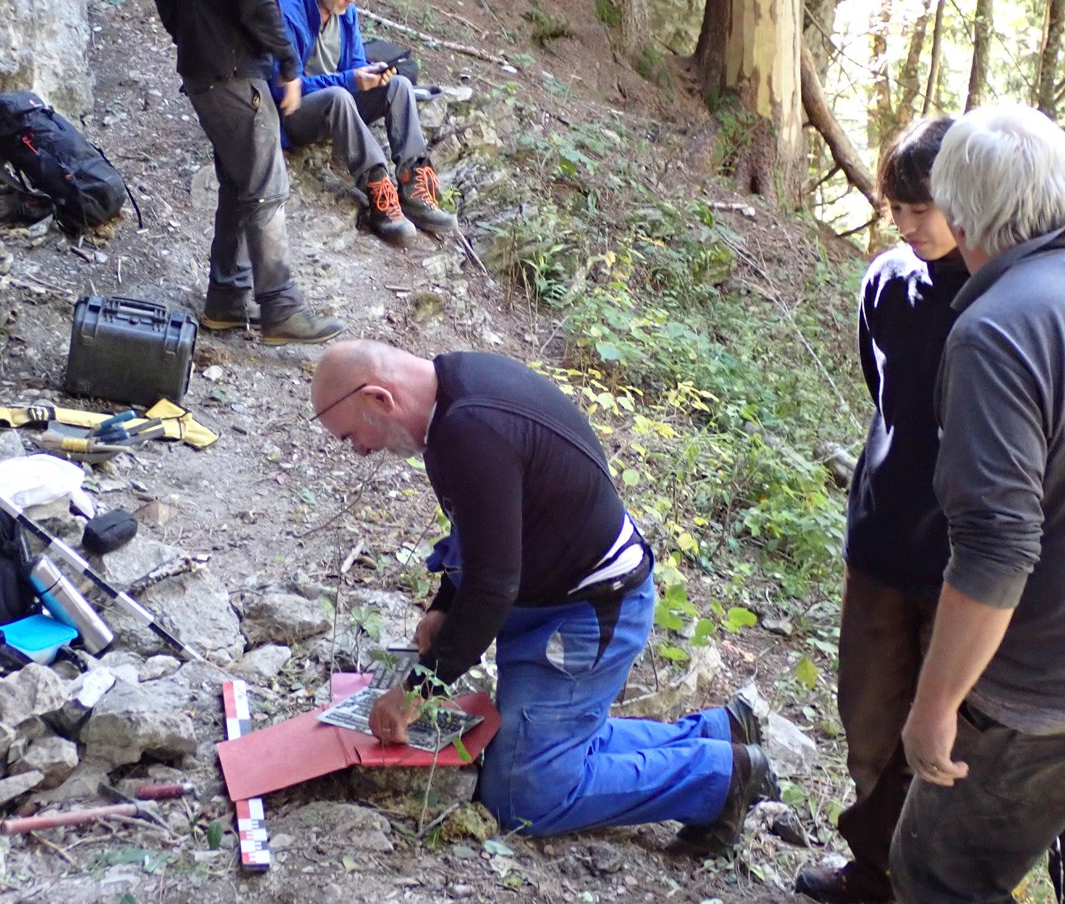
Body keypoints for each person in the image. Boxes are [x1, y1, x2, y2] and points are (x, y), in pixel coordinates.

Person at [310, 340, 779, 846]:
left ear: (381, 399)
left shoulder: (472, 429)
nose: (358, 451)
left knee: (523, 796)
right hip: (550, 595)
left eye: (349, 437)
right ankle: (720, 732)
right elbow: (485, 530)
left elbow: (492, 587)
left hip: (592, 607)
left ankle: (720, 777)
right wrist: (445, 604)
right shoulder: (451, 401)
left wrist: (418, 690)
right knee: (531, 747)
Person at [886, 105, 1065, 904]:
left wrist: (935, 708)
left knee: (943, 868)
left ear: (969, 215)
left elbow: (999, 542)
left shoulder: (1003, 324)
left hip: (1051, 684)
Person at [796, 118, 968, 904]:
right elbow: (885, 394)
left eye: (919, 209)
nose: (904, 225)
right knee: (868, 714)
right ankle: (873, 864)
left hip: (966, 561)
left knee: (942, 733)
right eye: (894, 208)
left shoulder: (1003, 299)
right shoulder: (885, 283)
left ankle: (940, 888)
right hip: (881, 539)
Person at [155, 0, 342, 345]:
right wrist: (288, 65)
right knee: (266, 187)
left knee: (239, 185)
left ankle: (225, 301)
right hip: (237, 72)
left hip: (203, 72)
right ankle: (280, 308)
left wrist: (195, 42)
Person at [275, 0, 457, 246]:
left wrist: (370, 74)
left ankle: (414, 188)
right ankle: (378, 191)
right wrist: (351, 79)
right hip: (295, 114)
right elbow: (285, 87)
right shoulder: (289, 14)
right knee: (338, 95)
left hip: (336, 105)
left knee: (397, 85)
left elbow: (355, 65)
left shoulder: (345, 13)